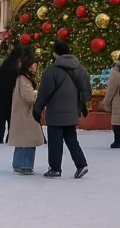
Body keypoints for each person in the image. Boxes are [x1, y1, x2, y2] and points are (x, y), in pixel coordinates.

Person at [33, 39, 90, 178]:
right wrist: (83, 106)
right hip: (72, 112)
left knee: (55, 141)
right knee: (72, 139)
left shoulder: (51, 71)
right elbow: (86, 91)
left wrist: (37, 110)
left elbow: (44, 93)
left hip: (55, 113)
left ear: (55, 54)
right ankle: (81, 165)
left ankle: (55, 168)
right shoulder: (81, 70)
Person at [8, 53, 44, 174]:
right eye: (35, 65)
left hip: (22, 114)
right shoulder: (24, 79)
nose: (36, 68)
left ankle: (18, 163)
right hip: (26, 115)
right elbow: (29, 97)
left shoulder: (21, 78)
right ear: (28, 67)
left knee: (22, 140)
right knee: (28, 141)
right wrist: (38, 92)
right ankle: (24, 165)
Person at [0, 46, 22, 143]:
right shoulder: (16, 68)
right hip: (12, 94)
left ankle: (0, 137)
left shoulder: (5, 65)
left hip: (2, 94)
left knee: (1, 117)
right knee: (11, 116)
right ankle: (10, 136)